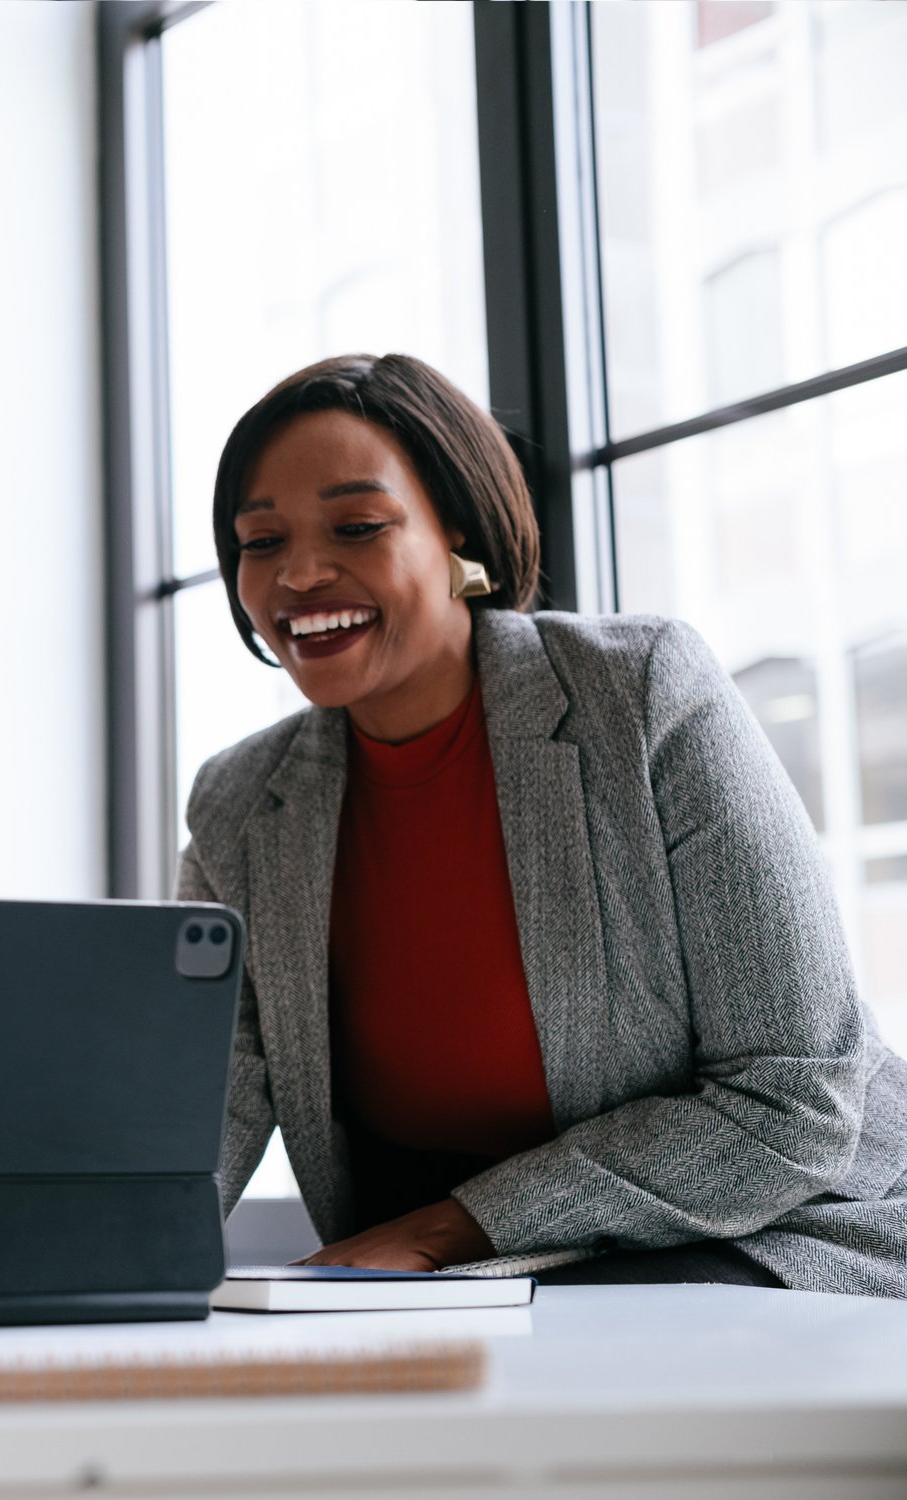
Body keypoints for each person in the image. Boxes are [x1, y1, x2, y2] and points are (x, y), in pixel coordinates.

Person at [179, 353, 907, 1294]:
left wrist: (452, 1230)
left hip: (787, 1233)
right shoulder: (242, 806)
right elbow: (200, 1126)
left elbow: (794, 1099)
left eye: (357, 526)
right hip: (470, 1289)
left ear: (460, 536)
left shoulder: (639, 694)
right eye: (260, 542)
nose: (300, 574)